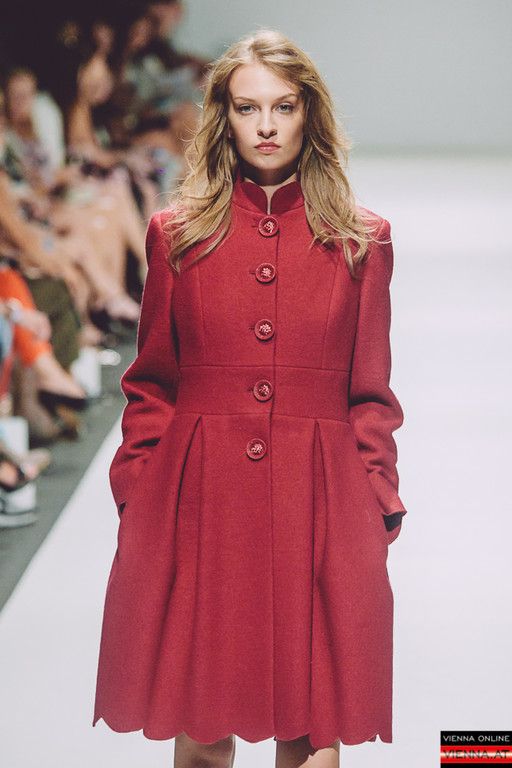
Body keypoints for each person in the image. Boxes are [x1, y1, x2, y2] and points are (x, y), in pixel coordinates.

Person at [93, 28, 408, 768]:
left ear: (309, 114)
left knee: (313, 736)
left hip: (321, 500)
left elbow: (371, 391)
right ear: (224, 117)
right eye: (247, 107)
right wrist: (139, 485)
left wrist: (375, 499)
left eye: (283, 107)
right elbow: (152, 381)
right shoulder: (177, 236)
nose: (266, 125)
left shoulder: (361, 241)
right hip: (200, 500)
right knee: (202, 735)